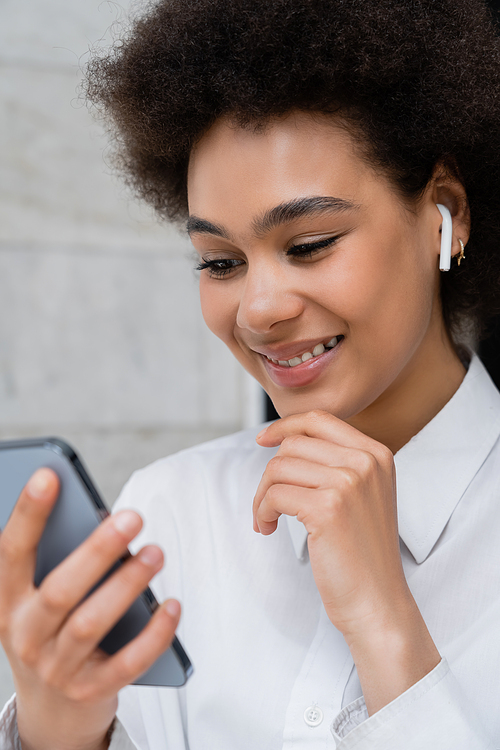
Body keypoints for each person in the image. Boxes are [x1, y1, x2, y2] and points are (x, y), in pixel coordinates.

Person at [1, 0, 500, 747]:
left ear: (445, 215)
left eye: (310, 243)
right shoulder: (170, 513)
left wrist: (385, 626)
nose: (259, 308)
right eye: (221, 262)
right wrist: (58, 730)